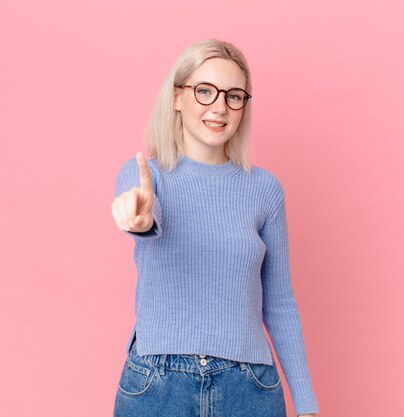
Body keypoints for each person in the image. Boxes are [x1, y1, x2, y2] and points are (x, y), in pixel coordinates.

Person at [111, 39, 320, 417]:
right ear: (177, 97)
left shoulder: (264, 190)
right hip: (158, 385)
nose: (219, 107)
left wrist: (305, 402)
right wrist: (138, 219)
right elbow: (144, 215)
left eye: (234, 95)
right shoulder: (146, 176)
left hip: (249, 387)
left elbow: (280, 302)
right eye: (204, 91)